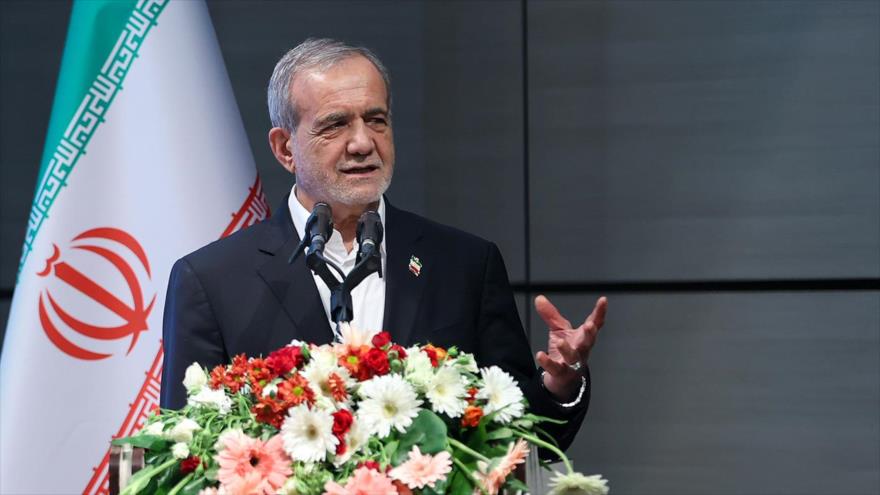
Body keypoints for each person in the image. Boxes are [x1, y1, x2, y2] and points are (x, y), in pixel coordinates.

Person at [159, 38, 607, 452]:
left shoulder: (465, 264)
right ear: (285, 149)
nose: (362, 143)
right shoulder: (211, 282)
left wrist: (560, 385)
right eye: (335, 125)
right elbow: (186, 445)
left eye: (376, 120)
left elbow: (518, 436)